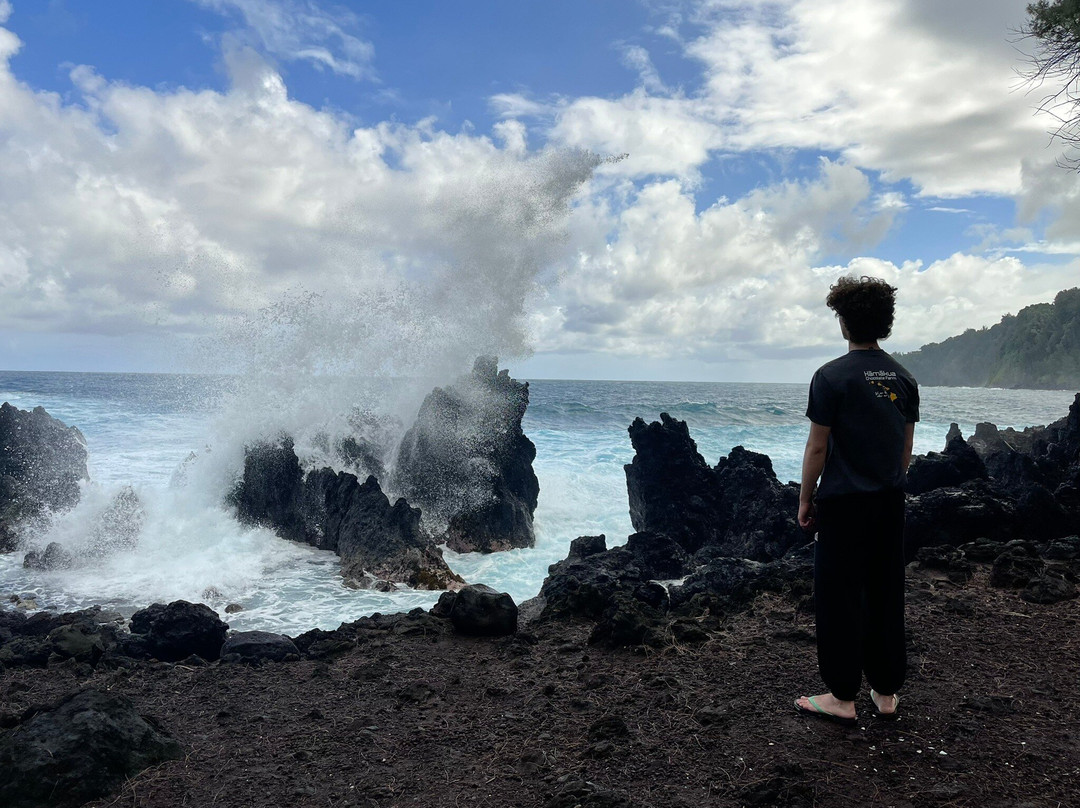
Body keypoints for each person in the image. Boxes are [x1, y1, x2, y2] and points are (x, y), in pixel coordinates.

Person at [794, 275, 919, 726]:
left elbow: (817, 449)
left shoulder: (830, 376)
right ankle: (886, 693)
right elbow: (904, 451)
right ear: (885, 323)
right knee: (886, 591)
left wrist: (805, 500)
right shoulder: (904, 378)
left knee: (839, 596)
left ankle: (842, 696)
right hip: (889, 502)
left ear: (844, 323)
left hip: (844, 504)